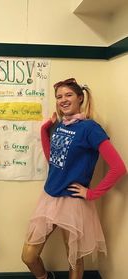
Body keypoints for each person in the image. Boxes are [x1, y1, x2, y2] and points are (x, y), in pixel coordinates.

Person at [21, 78, 127, 279]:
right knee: (28, 256)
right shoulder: (61, 125)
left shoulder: (90, 128)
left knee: (75, 260)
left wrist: (92, 193)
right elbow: (53, 159)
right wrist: (45, 130)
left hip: (72, 202)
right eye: (59, 97)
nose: (63, 100)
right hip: (50, 196)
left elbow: (118, 167)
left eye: (68, 95)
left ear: (80, 98)